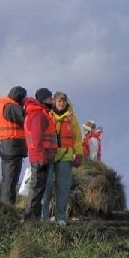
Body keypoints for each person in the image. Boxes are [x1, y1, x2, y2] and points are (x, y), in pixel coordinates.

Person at [41, 92, 83, 225]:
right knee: (45, 187)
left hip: (66, 157)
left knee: (63, 189)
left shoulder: (72, 119)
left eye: (64, 101)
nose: (61, 103)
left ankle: (60, 218)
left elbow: (77, 139)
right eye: (59, 101)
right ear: (54, 101)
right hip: (49, 156)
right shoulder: (47, 115)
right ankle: (44, 217)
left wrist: (79, 154)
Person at [22, 88, 57, 221]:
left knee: (38, 187)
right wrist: (42, 157)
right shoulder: (38, 114)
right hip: (40, 157)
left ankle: (32, 216)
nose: (51, 101)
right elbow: (37, 138)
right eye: (50, 98)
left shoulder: (38, 113)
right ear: (43, 99)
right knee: (37, 187)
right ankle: (30, 216)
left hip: (39, 156)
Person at [0, 86, 28, 205]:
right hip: (12, 146)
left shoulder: (2, 106)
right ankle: (8, 206)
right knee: (11, 179)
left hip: (4, 145)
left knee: (7, 177)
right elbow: (27, 119)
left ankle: (5, 204)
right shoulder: (12, 107)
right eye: (24, 97)